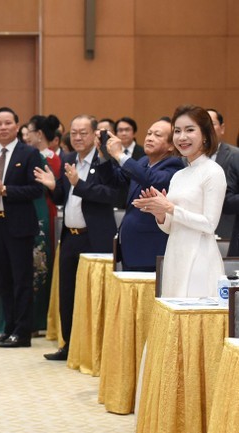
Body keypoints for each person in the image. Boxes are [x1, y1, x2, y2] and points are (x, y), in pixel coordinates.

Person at [34, 115, 120, 361]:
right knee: (67, 294)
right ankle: (68, 346)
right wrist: (53, 186)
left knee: (93, 296)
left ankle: (94, 348)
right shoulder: (68, 158)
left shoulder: (105, 160)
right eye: (74, 133)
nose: (78, 137)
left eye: (83, 132)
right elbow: (63, 196)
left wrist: (79, 184)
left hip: (94, 238)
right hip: (69, 238)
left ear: (95, 135)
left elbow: (113, 195)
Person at [133, 105, 227, 297]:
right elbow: (171, 227)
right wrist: (159, 213)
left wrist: (169, 207)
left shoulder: (213, 171)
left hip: (199, 258)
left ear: (206, 135)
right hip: (175, 254)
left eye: (190, 130)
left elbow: (209, 225)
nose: (182, 137)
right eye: (177, 131)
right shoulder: (179, 175)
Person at [0, 107, 44, 348]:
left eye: (8, 123)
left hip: (19, 226)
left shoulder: (29, 154)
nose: (3, 127)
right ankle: (8, 328)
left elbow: (37, 190)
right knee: (3, 280)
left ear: (17, 126)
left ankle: (22, 332)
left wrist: (5, 190)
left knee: (21, 280)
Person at [106, 118, 183, 271]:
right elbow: (117, 180)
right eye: (149, 133)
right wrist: (104, 156)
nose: (150, 137)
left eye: (157, 135)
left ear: (170, 146)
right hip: (130, 247)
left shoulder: (174, 165)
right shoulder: (142, 161)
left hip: (150, 249)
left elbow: (150, 179)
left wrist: (121, 155)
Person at [26, 114, 61, 335]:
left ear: (39, 134)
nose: (27, 135)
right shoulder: (36, 156)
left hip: (44, 212)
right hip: (34, 212)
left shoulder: (50, 159)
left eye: (29, 130)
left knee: (41, 265)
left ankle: (39, 319)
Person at [206, 108, 239, 250]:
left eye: (211, 123)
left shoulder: (235, 155)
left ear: (222, 128)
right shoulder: (184, 159)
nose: (207, 128)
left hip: (227, 228)